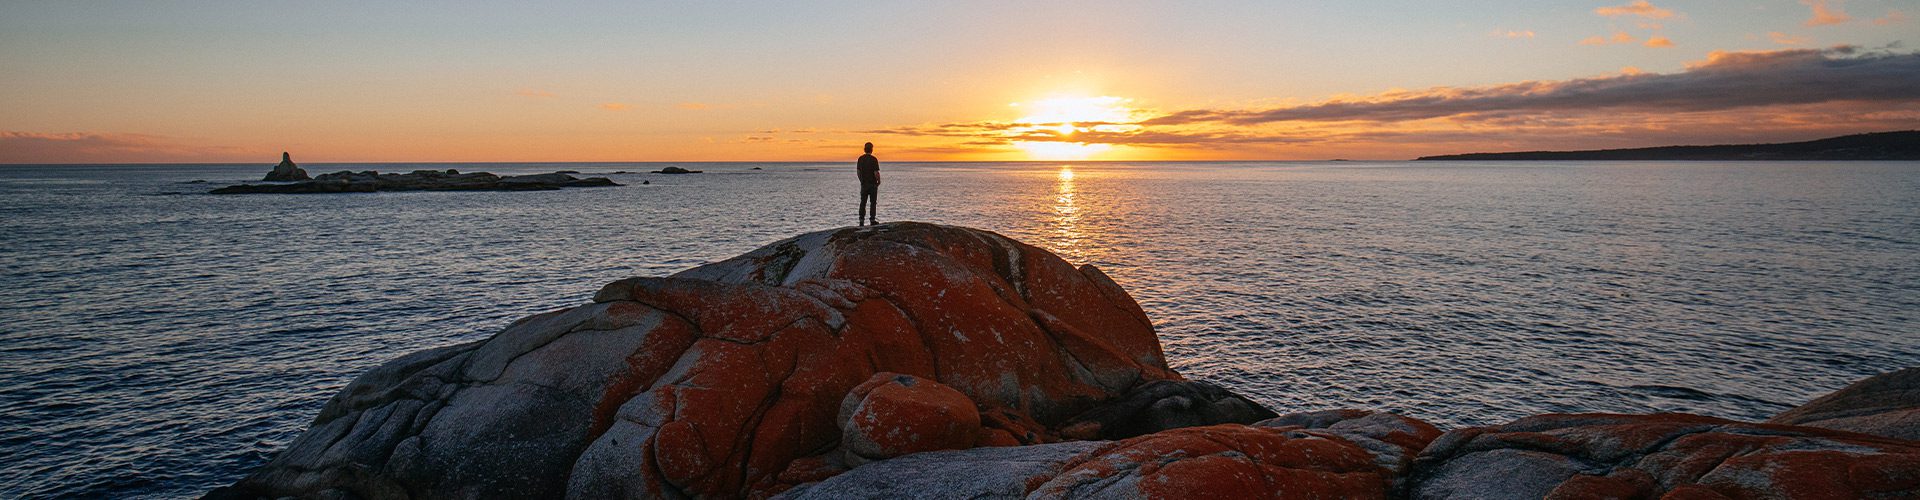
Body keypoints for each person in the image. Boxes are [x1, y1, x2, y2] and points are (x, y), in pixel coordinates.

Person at [856, 142, 880, 225]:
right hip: (872, 184)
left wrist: (861, 180)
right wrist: (878, 181)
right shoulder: (873, 159)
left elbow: (858, 172)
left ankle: (861, 220)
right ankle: (872, 220)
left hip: (864, 184)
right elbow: (876, 172)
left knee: (863, 202)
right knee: (873, 202)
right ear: (872, 149)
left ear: (864, 149)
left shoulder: (860, 159)